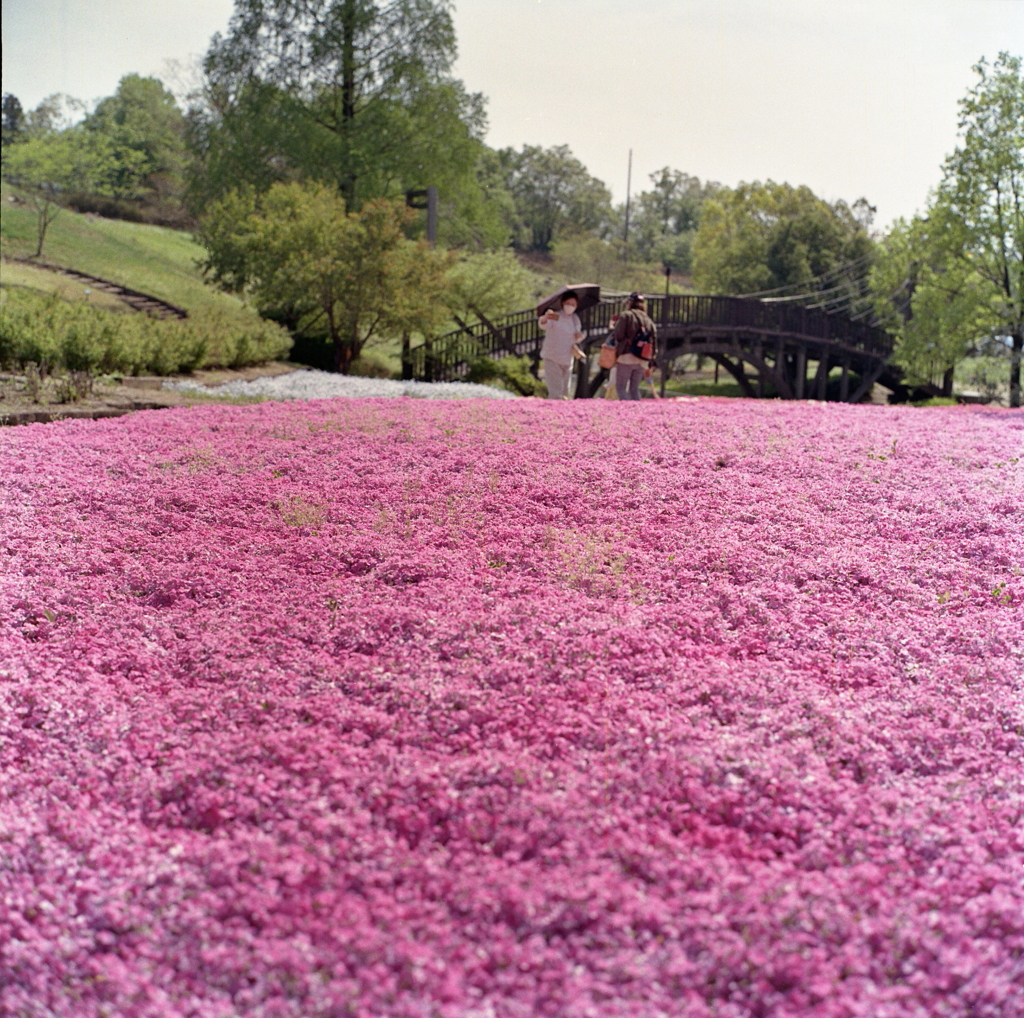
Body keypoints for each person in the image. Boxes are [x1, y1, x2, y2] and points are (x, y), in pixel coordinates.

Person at [611, 292, 657, 401]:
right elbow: (654, 340)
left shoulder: (626, 315)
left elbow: (618, 335)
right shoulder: (648, 320)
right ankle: (636, 412)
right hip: (642, 358)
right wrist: (652, 358)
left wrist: (613, 326)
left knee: (621, 387)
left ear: (629, 303)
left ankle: (628, 413)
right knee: (634, 389)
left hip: (627, 356)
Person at [538, 291, 584, 399]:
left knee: (565, 390)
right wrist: (545, 318)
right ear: (563, 303)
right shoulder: (556, 315)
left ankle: (563, 413)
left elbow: (576, 337)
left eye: (573, 304)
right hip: (552, 356)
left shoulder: (575, 319)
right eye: (568, 303)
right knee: (555, 390)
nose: (570, 306)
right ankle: (553, 413)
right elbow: (544, 325)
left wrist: (579, 336)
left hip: (567, 357)